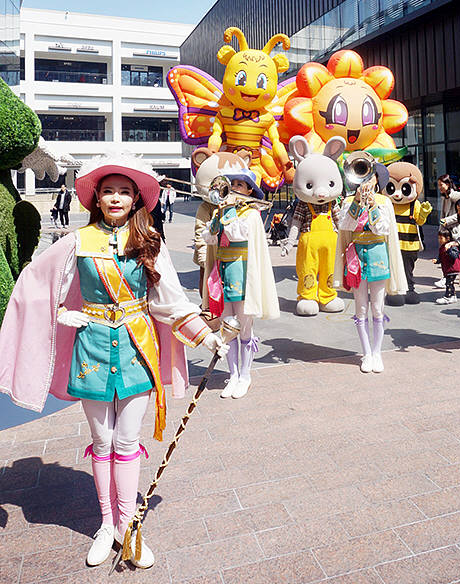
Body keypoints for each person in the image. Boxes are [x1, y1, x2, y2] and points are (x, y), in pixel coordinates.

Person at [0, 155, 226, 569]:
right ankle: (107, 525)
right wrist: (61, 314)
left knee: (126, 442)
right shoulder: (75, 241)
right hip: (91, 350)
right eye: (108, 191)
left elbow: (169, 301)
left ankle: (129, 526)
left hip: (138, 349)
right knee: (102, 442)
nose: (116, 198)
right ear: (97, 199)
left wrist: (206, 334)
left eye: (124, 191)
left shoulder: (150, 242)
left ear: (137, 197)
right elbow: (37, 281)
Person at [204, 168, 279, 399]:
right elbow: (210, 238)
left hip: (244, 274)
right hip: (224, 272)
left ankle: (245, 375)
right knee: (227, 327)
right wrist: (217, 217)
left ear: (249, 190)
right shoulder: (222, 211)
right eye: (231, 184)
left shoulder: (251, 214)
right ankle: (233, 374)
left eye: (239, 184)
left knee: (244, 328)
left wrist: (226, 213)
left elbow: (237, 234)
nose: (234, 187)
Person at [334, 161, 407, 373]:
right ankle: (366, 353)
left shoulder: (384, 202)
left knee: (377, 307)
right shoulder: (349, 201)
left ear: (377, 180)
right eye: (363, 175)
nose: (366, 180)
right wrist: (357, 201)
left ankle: (377, 352)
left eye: (370, 176)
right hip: (356, 257)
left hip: (378, 256)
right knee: (361, 307)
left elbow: (382, 229)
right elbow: (344, 225)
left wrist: (372, 203)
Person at [435, 175, 460, 287]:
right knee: (449, 256)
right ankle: (447, 279)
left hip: (455, 231)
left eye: (441, 184)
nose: (439, 187)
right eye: (438, 184)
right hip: (447, 231)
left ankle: (449, 280)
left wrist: (447, 220)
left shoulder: (456, 196)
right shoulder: (445, 197)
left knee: (453, 255)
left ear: (448, 184)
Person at [436, 225, 460, 305]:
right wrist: (437, 261)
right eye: (439, 238)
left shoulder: (451, 246)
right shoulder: (442, 247)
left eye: (441, 238)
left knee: (448, 283)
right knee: (450, 283)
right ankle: (453, 296)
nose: (439, 240)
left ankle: (447, 297)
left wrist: (449, 251)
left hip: (452, 269)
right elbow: (441, 257)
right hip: (447, 269)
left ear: (448, 238)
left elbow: (455, 256)